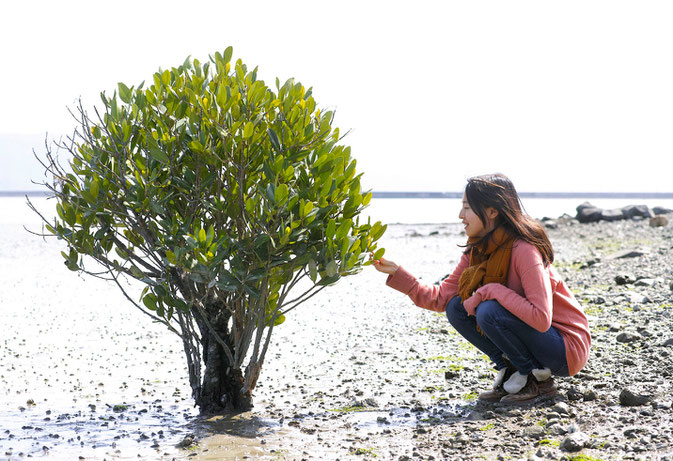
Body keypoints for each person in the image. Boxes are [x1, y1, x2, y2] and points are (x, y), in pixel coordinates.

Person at [372, 174, 591, 404]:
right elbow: (440, 298)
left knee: (488, 310)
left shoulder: (525, 249)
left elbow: (541, 318)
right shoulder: (478, 249)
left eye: (467, 207)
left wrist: (492, 290)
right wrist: (397, 273)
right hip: (538, 336)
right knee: (456, 307)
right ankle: (514, 371)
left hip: (565, 347)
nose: (460, 215)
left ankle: (537, 381)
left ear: (492, 211)